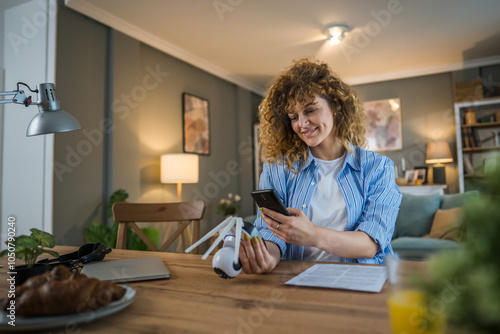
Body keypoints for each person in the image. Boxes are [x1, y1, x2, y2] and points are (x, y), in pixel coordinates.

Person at [239, 58, 402, 274]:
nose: (301, 124)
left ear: (335, 105)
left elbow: (370, 244)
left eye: (310, 110)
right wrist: (268, 257)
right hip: (299, 279)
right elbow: (271, 231)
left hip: (360, 278)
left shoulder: (377, 168)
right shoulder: (278, 168)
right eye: (293, 116)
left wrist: (312, 235)